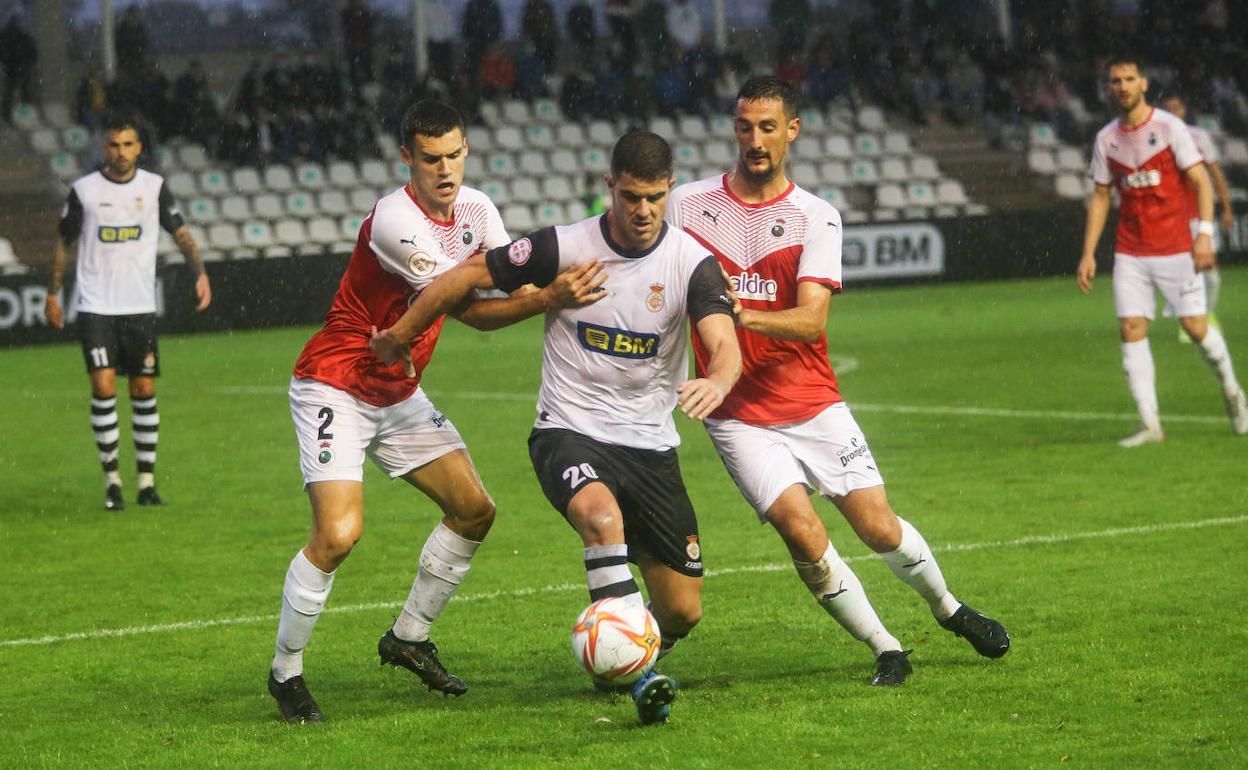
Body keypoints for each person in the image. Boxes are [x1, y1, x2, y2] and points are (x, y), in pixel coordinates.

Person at [369, 130, 742, 725]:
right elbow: (467, 277)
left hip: (650, 448)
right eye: (629, 196)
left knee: (682, 610)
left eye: (654, 197)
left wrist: (717, 381)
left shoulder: (692, 265)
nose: (642, 211)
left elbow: (723, 345)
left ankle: (629, 649)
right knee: (600, 517)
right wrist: (401, 334)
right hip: (567, 431)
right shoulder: (564, 246)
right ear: (608, 187)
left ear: (670, 190)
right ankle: (640, 676)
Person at [266, 100, 605, 724]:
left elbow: (515, 285)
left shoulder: (478, 210)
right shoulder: (396, 220)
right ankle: (285, 673)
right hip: (336, 383)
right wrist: (546, 295)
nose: (444, 170)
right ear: (406, 159)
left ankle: (409, 637)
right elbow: (468, 308)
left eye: (453, 155)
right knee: (339, 536)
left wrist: (573, 298)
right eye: (430, 159)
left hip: (398, 392)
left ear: (466, 149)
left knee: (474, 510)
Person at [666, 76, 1011, 687]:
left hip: (812, 401)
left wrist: (733, 311)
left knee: (878, 526)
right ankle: (886, 648)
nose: (755, 140)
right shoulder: (687, 205)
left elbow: (809, 319)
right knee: (802, 532)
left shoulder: (815, 217)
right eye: (744, 127)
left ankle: (949, 609)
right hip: (736, 414)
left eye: (768, 127)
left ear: (791, 130)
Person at [44, 115, 212, 511]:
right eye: (114, 145)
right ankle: (113, 481)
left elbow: (181, 233)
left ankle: (147, 483)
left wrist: (200, 274)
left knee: (143, 390)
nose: (121, 152)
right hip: (96, 306)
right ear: (106, 149)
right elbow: (64, 243)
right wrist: (52, 292)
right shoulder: (84, 191)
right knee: (103, 387)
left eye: (128, 145)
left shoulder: (153, 188)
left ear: (139, 148)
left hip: (138, 306)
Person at [1077, 58, 1247, 445]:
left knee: (1196, 328)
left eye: (1129, 79)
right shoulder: (1106, 139)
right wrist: (1088, 253)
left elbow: (1201, 182)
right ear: (1109, 88)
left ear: (1144, 84)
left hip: (1175, 248)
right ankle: (1150, 424)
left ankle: (1233, 390)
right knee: (1131, 327)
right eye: (1115, 81)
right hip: (1131, 251)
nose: (1122, 86)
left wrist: (1203, 234)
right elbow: (1102, 196)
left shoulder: (1170, 129)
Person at [1159, 93, 1235, 338]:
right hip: (1171, 218)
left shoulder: (1199, 137)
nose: (1173, 112)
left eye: (1177, 107)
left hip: (1198, 215)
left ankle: (1205, 314)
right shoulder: (1156, 138)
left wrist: (1226, 206)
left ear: (1184, 110)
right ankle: (1188, 318)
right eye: (1167, 109)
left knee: (1210, 273)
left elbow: (1215, 173)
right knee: (1182, 272)